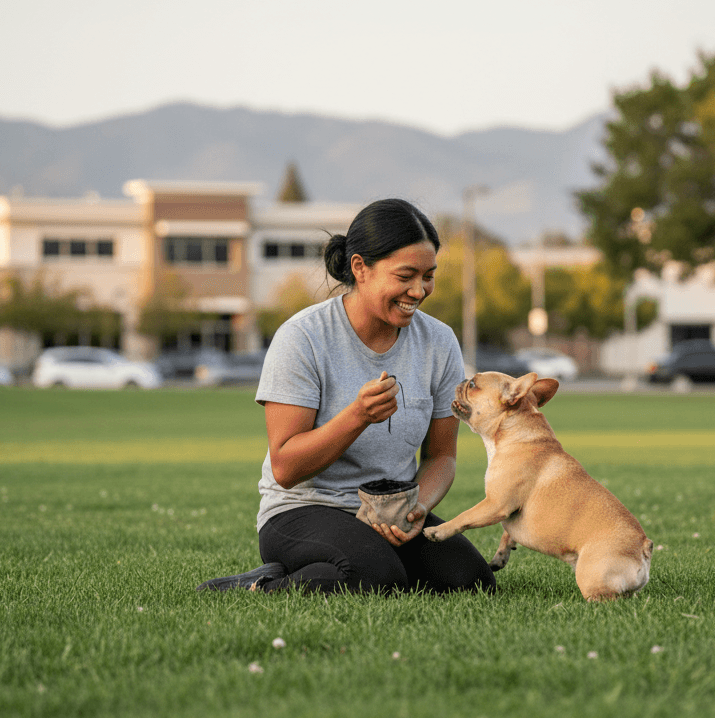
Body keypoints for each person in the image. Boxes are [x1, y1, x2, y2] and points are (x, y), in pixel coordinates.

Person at [197, 198, 495, 594]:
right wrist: (357, 416)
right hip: (302, 510)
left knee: (471, 581)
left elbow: (442, 457)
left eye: (428, 276)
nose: (419, 290)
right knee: (376, 577)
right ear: (360, 268)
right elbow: (286, 468)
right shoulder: (303, 337)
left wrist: (416, 508)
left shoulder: (439, 341)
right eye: (406, 275)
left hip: (391, 509)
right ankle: (261, 584)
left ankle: (369, 556)